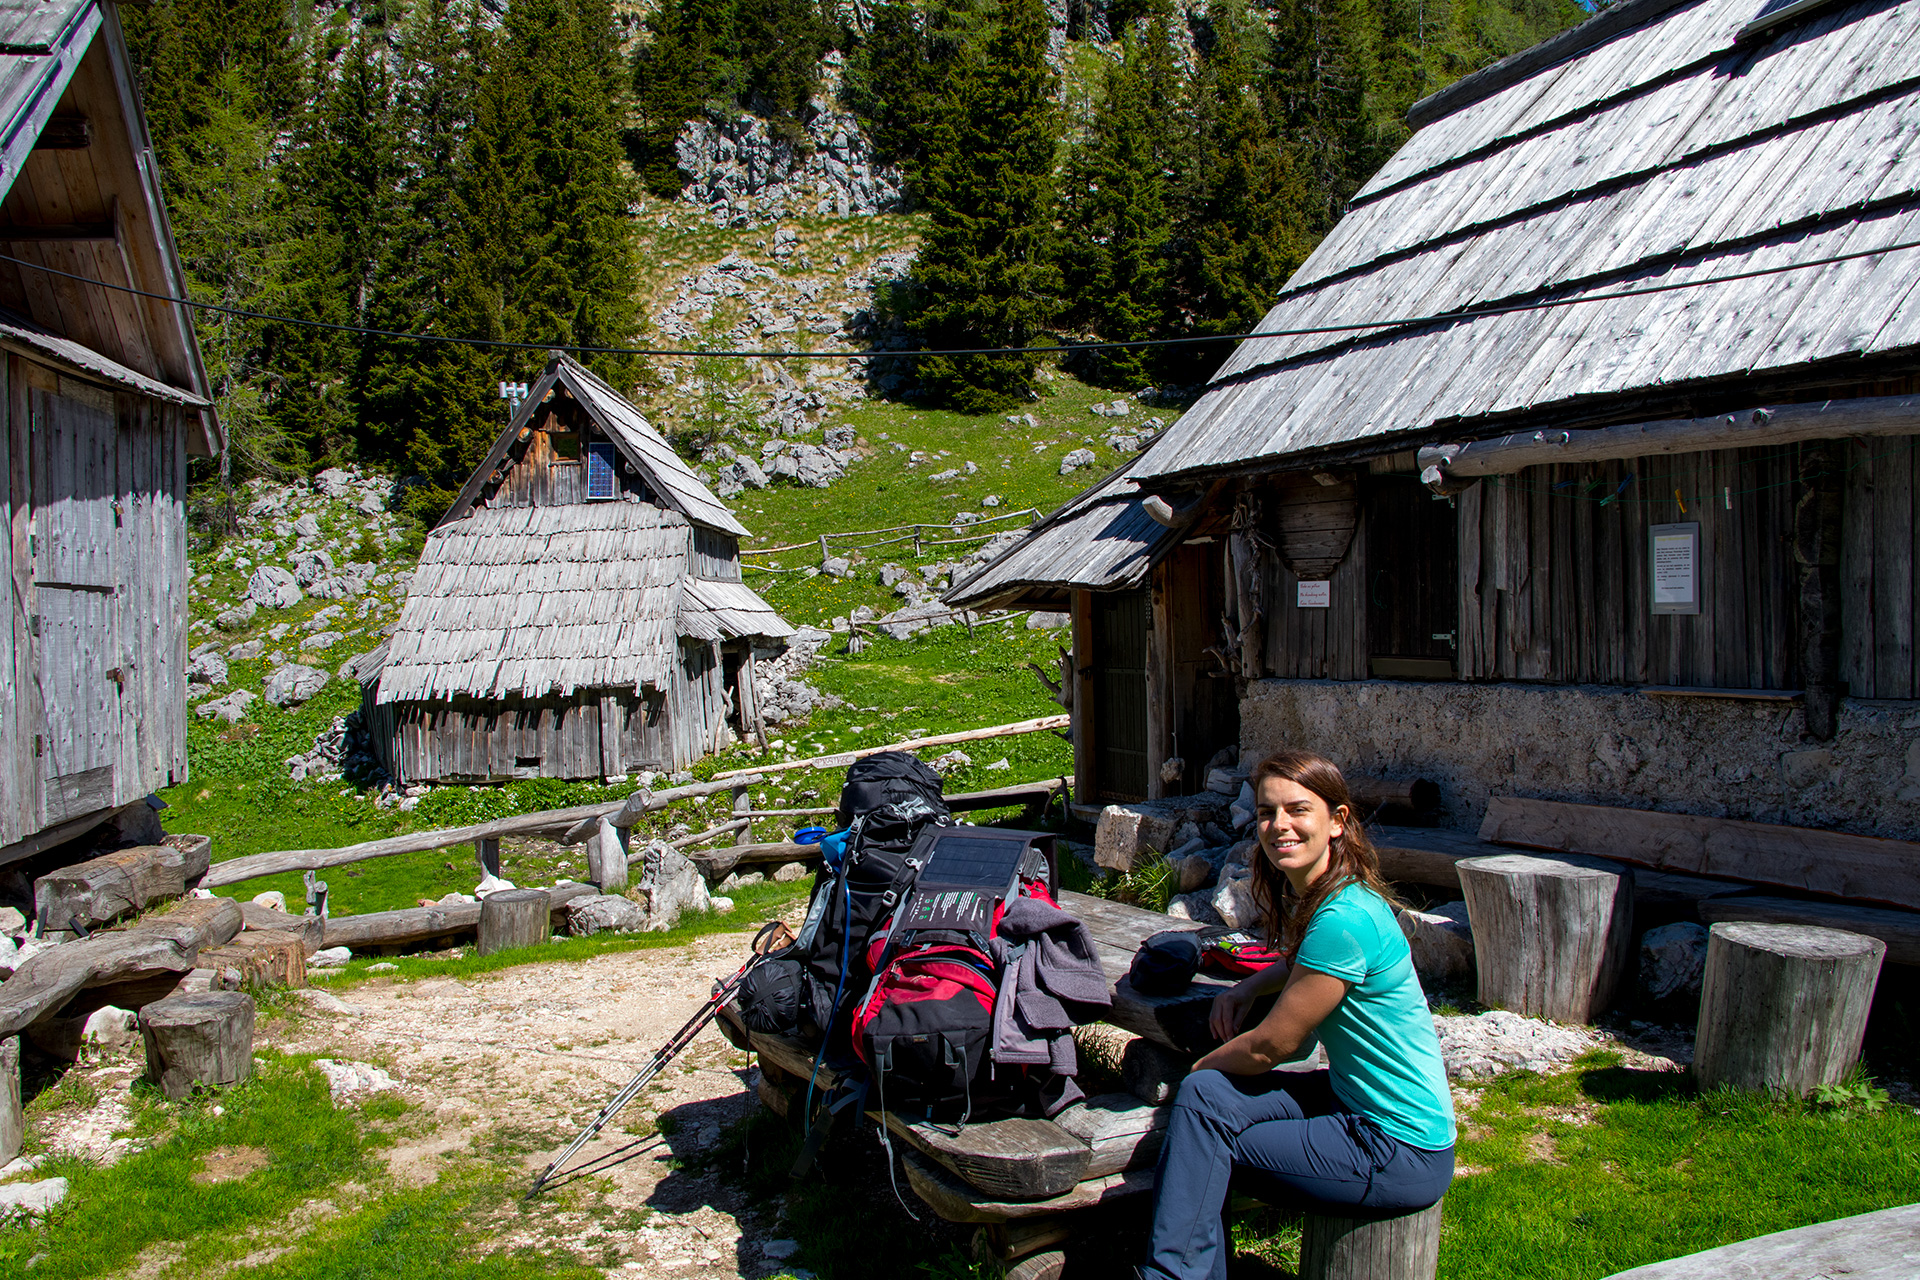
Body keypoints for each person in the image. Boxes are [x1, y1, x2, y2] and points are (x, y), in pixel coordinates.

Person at [1138, 749, 1455, 1280]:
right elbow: (1304, 966)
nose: (1278, 824)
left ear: (1337, 821)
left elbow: (1277, 1046)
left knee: (1201, 1123)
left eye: (1297, 810)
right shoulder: (1329, 894)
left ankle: (1172, 1276)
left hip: (1396, 1149)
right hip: (1355, 1102)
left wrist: (1200, 1064)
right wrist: (1250, 988)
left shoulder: (1344, 918)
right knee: (1207, 1102)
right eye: (1266, 812)